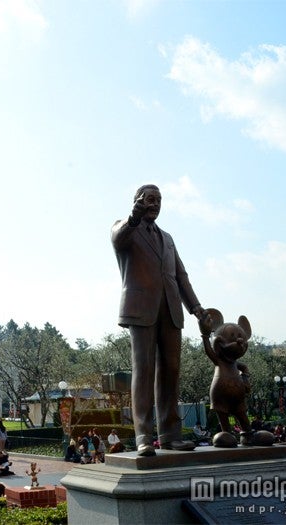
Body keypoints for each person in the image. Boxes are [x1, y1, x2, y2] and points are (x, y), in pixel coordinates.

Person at [112, 183, 204, 457]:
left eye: (159, 199)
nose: (155, 203)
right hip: (141, 308)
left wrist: (196, 308)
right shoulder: (125, 226)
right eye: (149, 199)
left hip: (171, 309)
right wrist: (133, 217)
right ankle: (143, 436)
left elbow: (181, 275)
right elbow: (119, 239)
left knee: (171, 371)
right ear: (137, 201)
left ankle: (170, 435)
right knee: (143, 370)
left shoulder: (167, 238)